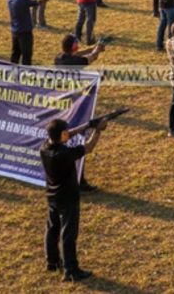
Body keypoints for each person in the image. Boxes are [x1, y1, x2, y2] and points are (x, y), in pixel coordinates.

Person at [41, 117, 108, 282]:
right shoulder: (64, 154)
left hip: (52, 196)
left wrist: (87, 125)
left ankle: (52, 261)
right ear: (62, 134)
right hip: (68, 199)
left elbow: (66, 135)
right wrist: (97, 130)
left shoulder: (44, 147)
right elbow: (89, 147)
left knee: (52, 229)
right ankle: (71, 270)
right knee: (68, 235)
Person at [54, 34, 107, 193]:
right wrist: (97, 49)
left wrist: (92, 47)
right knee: (78, 142)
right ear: (74, 47)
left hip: (64, 104)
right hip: (77, 106)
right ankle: (80, 181)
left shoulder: (59, 58)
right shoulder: (75, 61)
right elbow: (91, 58)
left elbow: (80, 54)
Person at [8, 0, 51, 65]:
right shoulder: (22, 2)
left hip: (15, 31)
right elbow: (37, 3)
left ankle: (12, 70)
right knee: (26, 55)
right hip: (25, 33)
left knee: (15, 53)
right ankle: (26, 72)